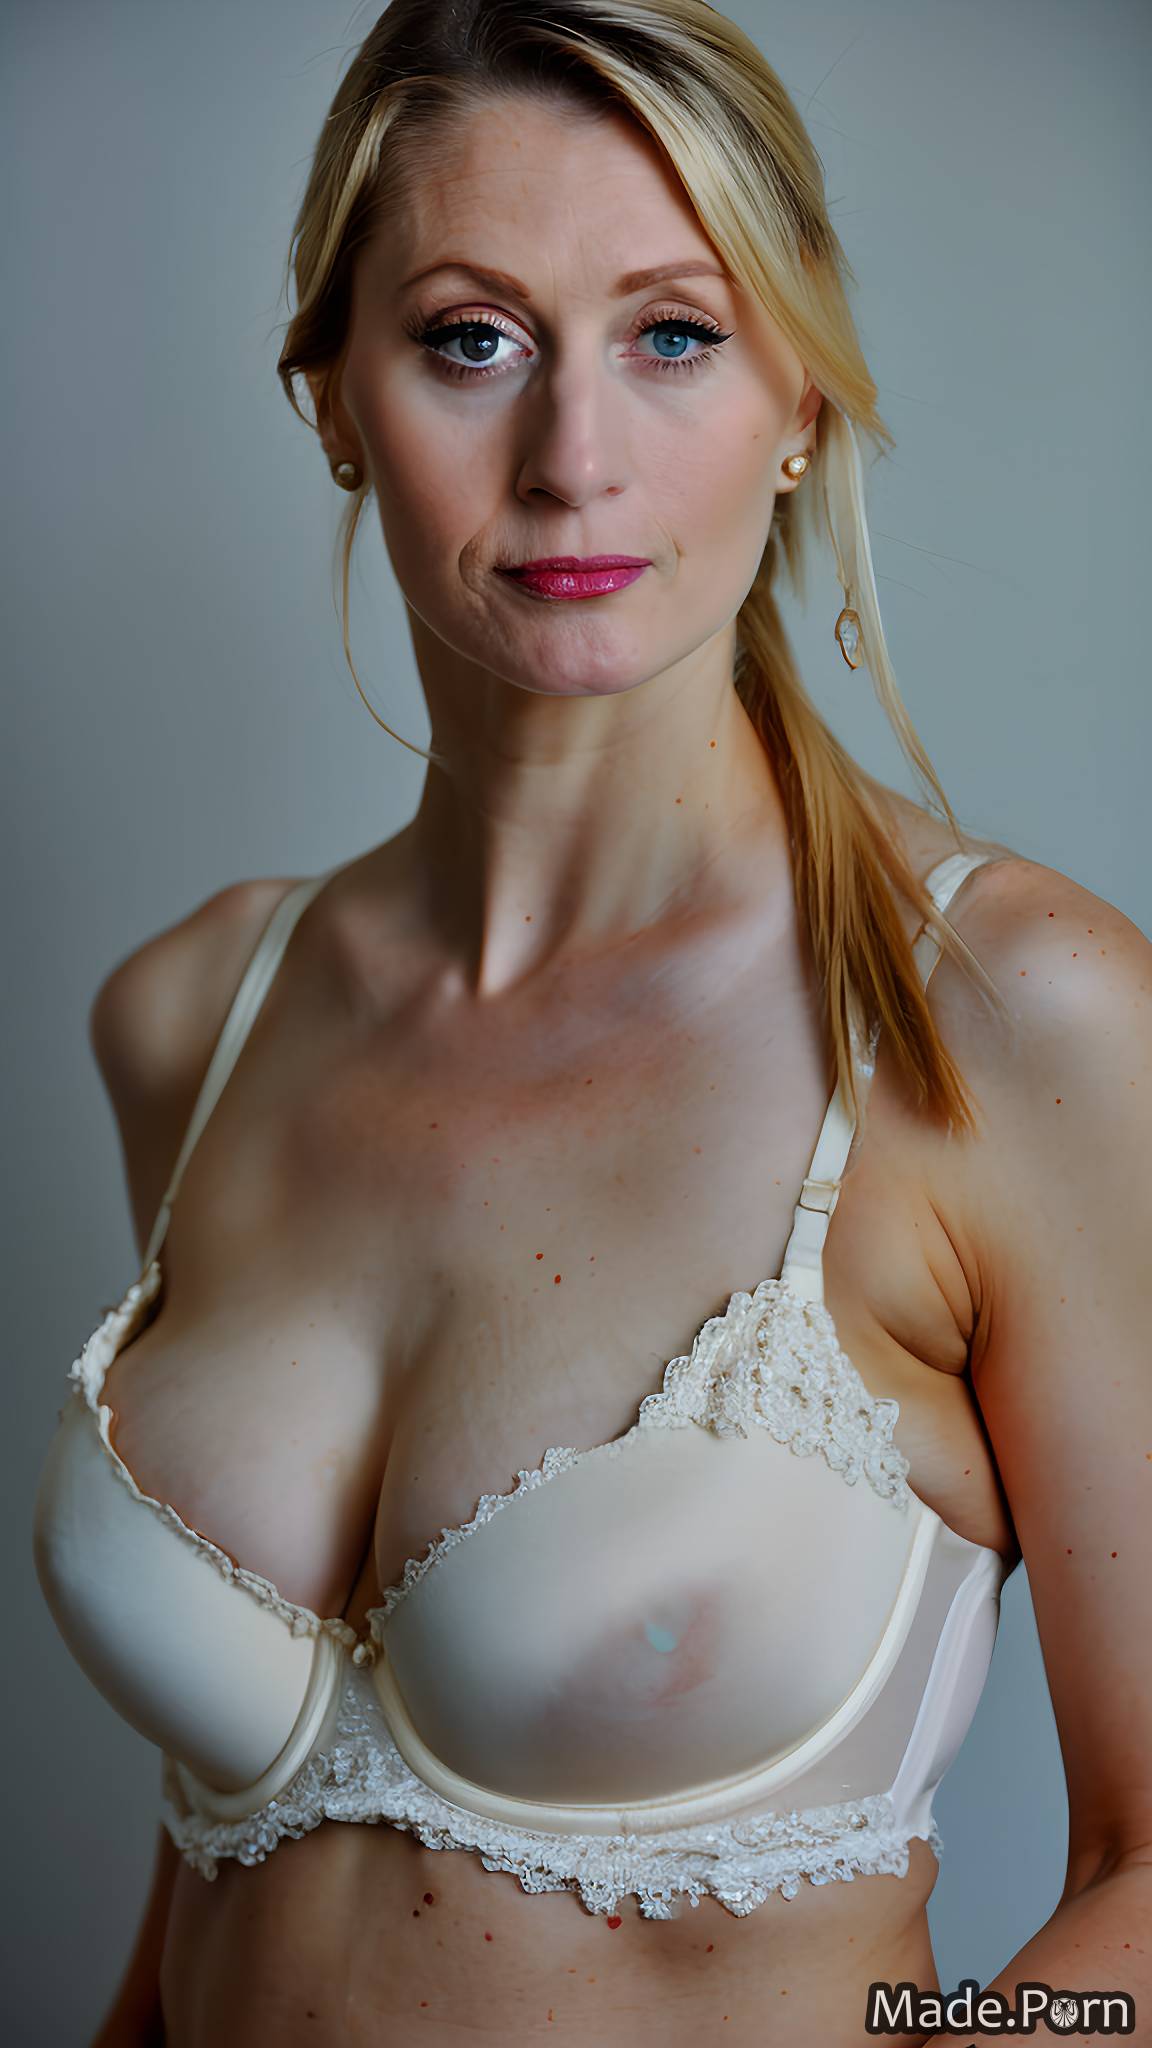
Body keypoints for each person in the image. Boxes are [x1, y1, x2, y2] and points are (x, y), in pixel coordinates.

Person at [32, 3, 1151, 2044]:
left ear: (800, 396)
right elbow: (217, 1863)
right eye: (471, 339)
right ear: (334, 396)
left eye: (674, 335)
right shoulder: (196, 1019)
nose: (572, 458)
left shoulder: (1004, 1019)